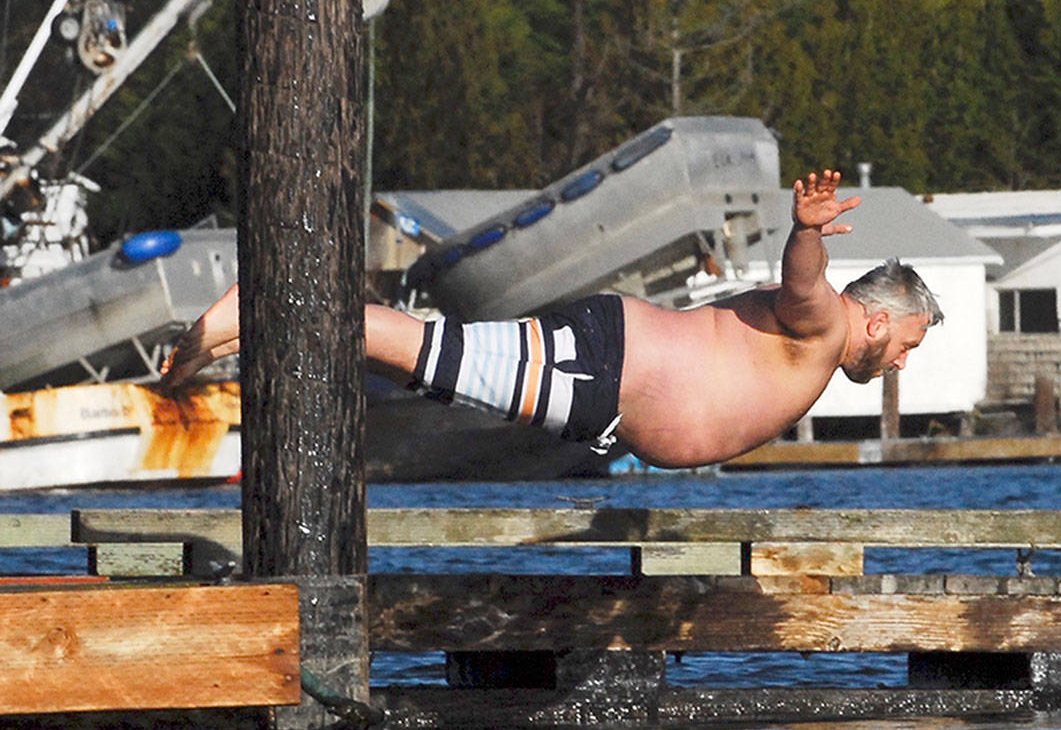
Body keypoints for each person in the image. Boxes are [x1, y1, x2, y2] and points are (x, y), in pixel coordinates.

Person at [162, 169, 943, 468]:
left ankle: (257, 321)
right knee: (425, 351)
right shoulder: (824, 328)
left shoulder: (816, 343)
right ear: (878, 322)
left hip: (604, 377)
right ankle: (265, 301)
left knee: (416, 362)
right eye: (907, 344)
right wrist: (805, 231)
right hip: (601, 369)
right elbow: (803, 284)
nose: (902, 363)